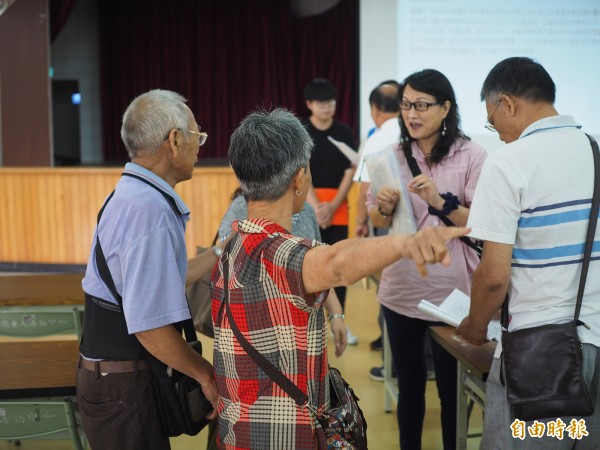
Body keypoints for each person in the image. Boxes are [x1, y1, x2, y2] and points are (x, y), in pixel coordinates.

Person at [211, 107, 470, 450]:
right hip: (285, 435)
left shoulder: (232, 244)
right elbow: (335, 263)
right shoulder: (282, 252)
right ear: (300, 179)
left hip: (234, 428)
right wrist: (407, 242)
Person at [456, 57, 600, 449]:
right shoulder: (595, 151)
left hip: (539, 357)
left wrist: (473, 326)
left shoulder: (509, 161)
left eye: (491, 120)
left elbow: (495, 275)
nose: (497, 133)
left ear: (507, 104)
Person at [76, 89, 218, 450]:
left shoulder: (133, 194)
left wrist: (219, 250)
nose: (199, 146)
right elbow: (150, 325)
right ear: (174, 141)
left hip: (114, 380)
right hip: (123, 389)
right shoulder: (149, 211)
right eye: (196, 135)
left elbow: (157, 284)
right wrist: (206, 375)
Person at [366, 69, 487, 449]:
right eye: (405, 105)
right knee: (410, 386)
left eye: (421, 105)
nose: (411, 114)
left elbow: (481, 225)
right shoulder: (392, 156)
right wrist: (383, 208)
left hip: (453, 293)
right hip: (401, 288)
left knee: (452, 392)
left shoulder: (473, 154)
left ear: (446, 107)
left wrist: (439, 201)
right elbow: (376, 217)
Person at [217, 190, 348, 357]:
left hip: (302, 329)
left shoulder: (306, 210)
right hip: (251, 325)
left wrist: (336, 313)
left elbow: (317, 268)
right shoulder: (242, 206)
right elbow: (225, 262)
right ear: (297, 178)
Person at [303, 78, 359, 344]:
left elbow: (351, 170)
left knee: (340, 264)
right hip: (308, 203)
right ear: (310, 104)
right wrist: (316, 205)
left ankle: (340, 321)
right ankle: (311, 323)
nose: (328, 107)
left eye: (331, 102)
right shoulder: (302, 131)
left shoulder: (344, 132)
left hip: (338, 206)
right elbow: (302, 169)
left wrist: (333, 205)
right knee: (311, 263)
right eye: (322, 102)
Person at [353, 80, 402, 358]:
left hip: (387, 223)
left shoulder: (378, 137)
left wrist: (360, 221)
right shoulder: (416, 132)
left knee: (390, 286)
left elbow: (364, 186)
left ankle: (391, 354)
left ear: (375, 109)